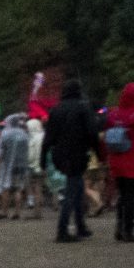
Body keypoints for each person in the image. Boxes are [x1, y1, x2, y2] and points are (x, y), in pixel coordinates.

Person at [100, 83, 134, 242]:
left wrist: (105, 157)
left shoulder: (113, 114)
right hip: (132, 160)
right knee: (131, 195)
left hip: (116, 159)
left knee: (122, 194)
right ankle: (128, 230)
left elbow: (105, 137)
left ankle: (119, 227)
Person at [44, 80, 98, 242]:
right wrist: (98, 151)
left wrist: (43, 156)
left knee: (78, 187)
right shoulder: (83, 107)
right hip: (77, 153)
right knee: (72, 190)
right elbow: (92, 132)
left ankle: (80, 225)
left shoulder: (56, 109)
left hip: (60, 155)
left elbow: (49, 136)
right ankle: (63, 229)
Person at [0, 114, 31, 221]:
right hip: (21, 165)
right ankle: (17, 213)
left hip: (8, 166)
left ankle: (4, 212)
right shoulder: (24, 134)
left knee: (6, 188)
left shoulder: (5, 134)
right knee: (18, 188)